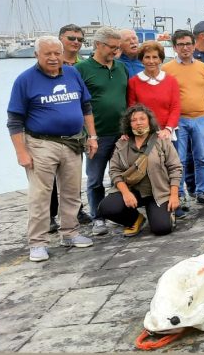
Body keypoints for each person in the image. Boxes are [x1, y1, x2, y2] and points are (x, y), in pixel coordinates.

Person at [8, 36, 98, 261]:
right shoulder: (25, 80)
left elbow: (86, 106)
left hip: (72, 141)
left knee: (71, 190)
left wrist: (92, 136)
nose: (53, 58)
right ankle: (37, 243)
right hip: (41, 143)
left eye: (56, 53)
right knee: (40, 194)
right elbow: (14, 120)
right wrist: (21, 152)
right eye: (47, 53)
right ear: (37, 54)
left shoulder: (72, 73)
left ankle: (70, 232)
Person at [75, 27, 128, 236]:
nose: (115, 51)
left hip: (122, 134)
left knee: (124, 176)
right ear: (98, 45)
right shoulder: (82, 69)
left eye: (118, 47)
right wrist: (88, 135)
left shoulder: (121, 67)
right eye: (112, 47)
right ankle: (98, 218)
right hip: (96, 135)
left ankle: (122, 213)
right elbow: (77, 104)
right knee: (95, 179)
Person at [100, 105, 182, 237]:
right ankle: (135, 219)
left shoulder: (161, 141)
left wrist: (173, 195)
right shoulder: (122, 144)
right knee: (107, 208)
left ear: (149, 121)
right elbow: (114, 171)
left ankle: (165, 215)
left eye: (142, 119)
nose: (138, 122)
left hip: (157, 192)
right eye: (134, 120)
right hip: (132, 191)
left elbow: (175, 168)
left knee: (162, 228)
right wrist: (126, 193)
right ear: (129, 123)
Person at [162, 29, 204, 209]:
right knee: (178, 160)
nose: (185, 48)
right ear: (174, 47)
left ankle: (201, 192)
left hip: (201, 118)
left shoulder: (202, 67)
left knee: (202, 157)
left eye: (188, 44)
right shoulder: (167, 69)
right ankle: (179, 194)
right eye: (181, 44)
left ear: (194, 45)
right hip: (178, 120)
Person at [50, 24, 92, 232]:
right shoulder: (47, 64)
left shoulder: (83, 66)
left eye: (79, 39)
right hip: (49, 132)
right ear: (60, 39)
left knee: (73, 174)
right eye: (71, 38)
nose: (75, 42)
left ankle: (77, 209)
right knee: (49, 177)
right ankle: (50, 215)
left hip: (78, 130)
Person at [126, 41, 180, 139]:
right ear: (141, 60)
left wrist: (168, 129)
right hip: (143, 134)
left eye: (155, 57)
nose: (151, 61)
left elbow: (175, 107)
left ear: (160, 60)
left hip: (167, 133)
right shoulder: (133, 82)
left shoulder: (171, 81)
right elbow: (132, 109)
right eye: (147, 57)